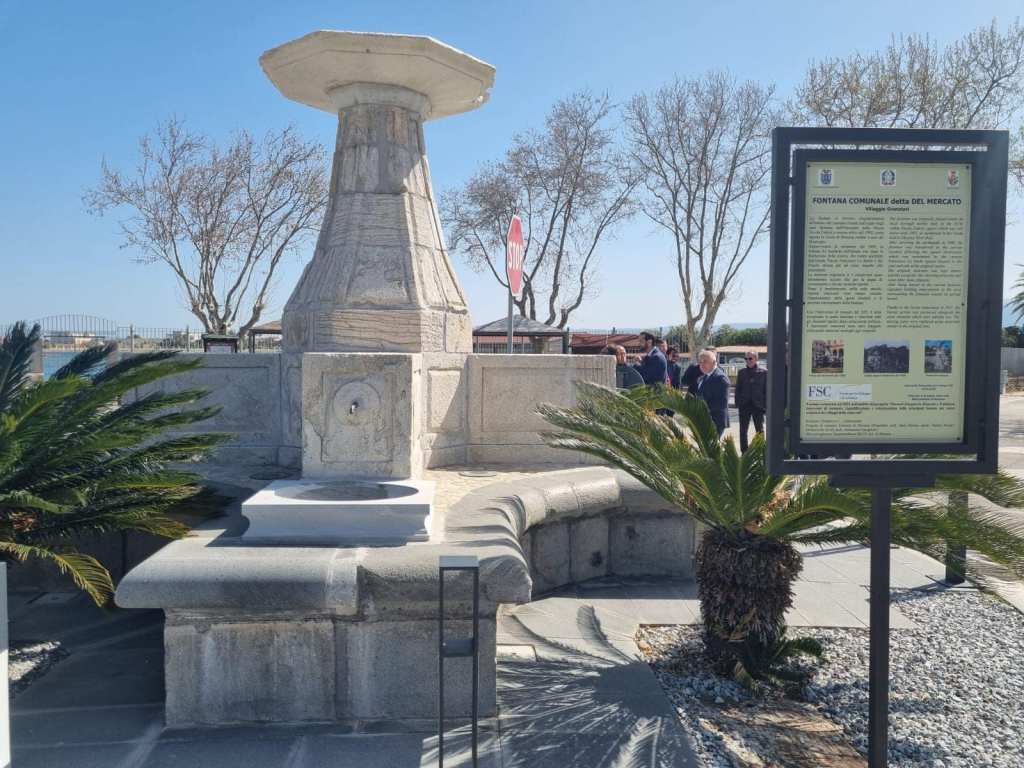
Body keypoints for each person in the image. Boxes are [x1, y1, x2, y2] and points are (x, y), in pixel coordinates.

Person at [734, 350, 767, 452]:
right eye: (746, 359)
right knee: (743, 431)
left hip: (758, 405)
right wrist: (737, 402)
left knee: (760, 431)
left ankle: (761, 451)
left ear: (756, 359)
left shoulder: (764, 372)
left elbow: (766, 389)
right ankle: (744, 452)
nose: (748, 360)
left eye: (750, 358)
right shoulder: (741, 372)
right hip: (744, 404)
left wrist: (765, 405)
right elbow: (738, 388)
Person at [696, 349, 730, 437]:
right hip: (705, 420)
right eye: (700, 362)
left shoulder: (720, 378)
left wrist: (702, 410)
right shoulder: (705, 377)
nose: (702, 365)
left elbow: (721, 403)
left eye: (705, 361)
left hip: (715, 421)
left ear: (714, 363)